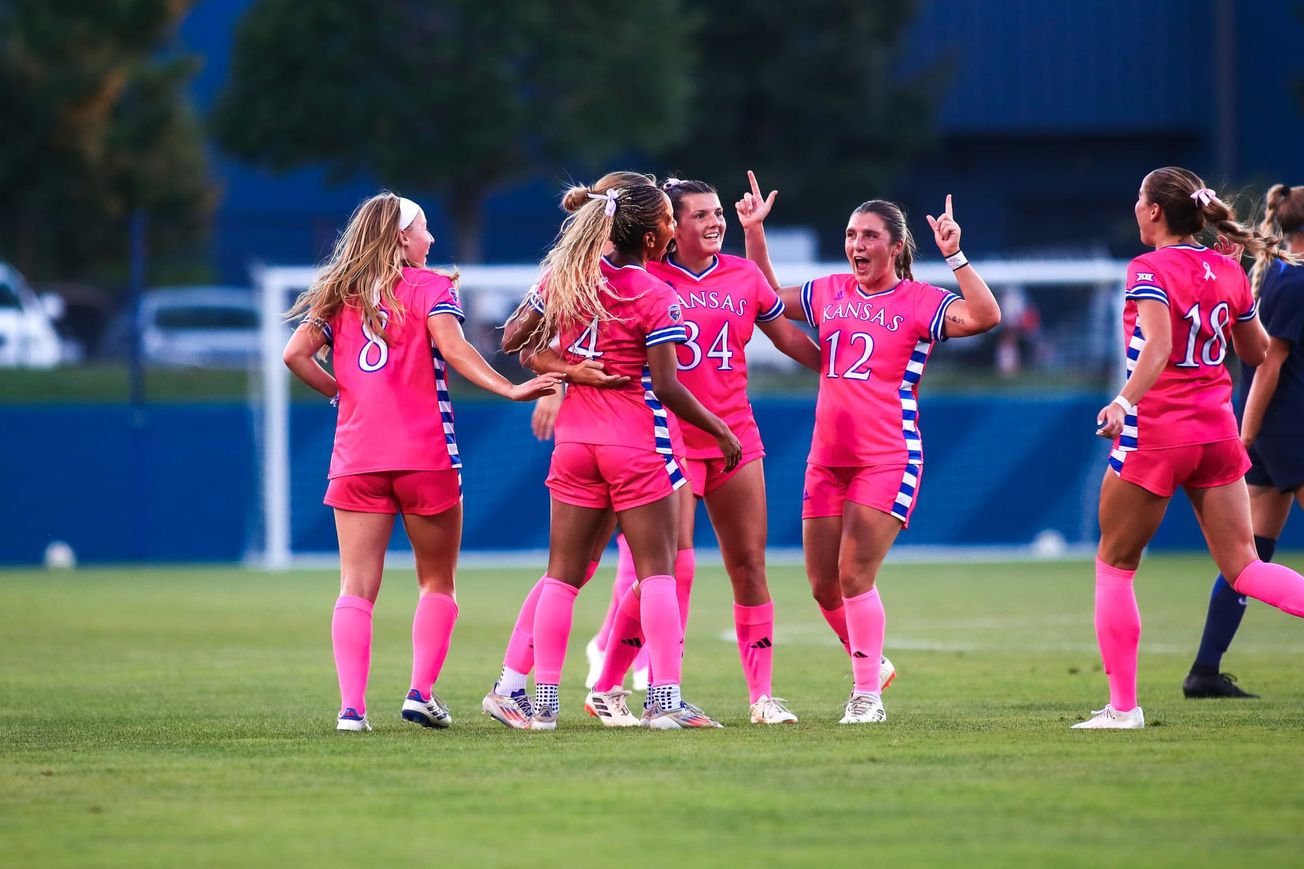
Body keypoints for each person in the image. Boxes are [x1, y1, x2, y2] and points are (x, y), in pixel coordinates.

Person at [281, 192, 561, 732]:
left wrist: (341, 394)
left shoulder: (337, 293)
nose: (431, 240)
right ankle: (420, 694)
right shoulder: (432, 286)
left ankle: (351, 711)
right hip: (425, 456)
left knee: (355, 587)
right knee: (437, 582)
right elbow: (454, 351)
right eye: (424, 230)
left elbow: (294, 353)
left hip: (357, 457)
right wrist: (509, 388)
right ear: (400, 238)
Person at [486, 177, 742, 731]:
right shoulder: (655, 294)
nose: (676, 229)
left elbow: (512, 340)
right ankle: (665, 703)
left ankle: (544, 706)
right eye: (671, 222)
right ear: (652, 237)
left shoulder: (566, 278)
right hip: (637, 444)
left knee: (561, 576)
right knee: (657, 574)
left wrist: (568, 369)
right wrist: (720, 429)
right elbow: (669, 387)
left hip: (575, 443)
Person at [742, 179, 1001, 724]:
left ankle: (866, 696)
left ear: (897, 248)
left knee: (855, 574)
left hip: (888, 455)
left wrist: (955, 254)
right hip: (827, 459)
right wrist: (754, 233)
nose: (857, 246)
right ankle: (872, 664)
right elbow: (762, 299)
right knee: (822, 584)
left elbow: (985, 316)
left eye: (869, 236)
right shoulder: (829, 290)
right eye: (851, 235)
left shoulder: (922, 301)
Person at [582, 174, 824, 726]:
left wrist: (841, 372)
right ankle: (627, 687)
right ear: (671, 227)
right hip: (667, 438)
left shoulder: (743, 276)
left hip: (735, 435)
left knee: (750, 565)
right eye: (700, 215)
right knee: (673, 569)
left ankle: (761, 698)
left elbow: (786, 337)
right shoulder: (645, 278)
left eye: (718, 213)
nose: (715, 222)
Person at [1076, 167, 1304, 730]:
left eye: (1139, 198)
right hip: (1217, 434)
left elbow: (1158, 345)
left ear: (1155, 212)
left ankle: (1123, 709)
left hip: (1157, 434)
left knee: (1115, 567)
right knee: (1246, 567)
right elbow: (1253, 352)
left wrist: (1124, 402)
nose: (1135, 206)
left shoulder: (1147, 268)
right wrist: (1227, 291)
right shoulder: (1225, 268)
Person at [1182, 182, 1304, 699]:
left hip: (1275, 432)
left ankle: (1205, 671)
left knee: (1251, 555)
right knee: (1247, 556)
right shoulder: (1294, 280)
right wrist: (1247, 434)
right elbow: (1269, 365)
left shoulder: (1279, 274)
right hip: (1289, 430)